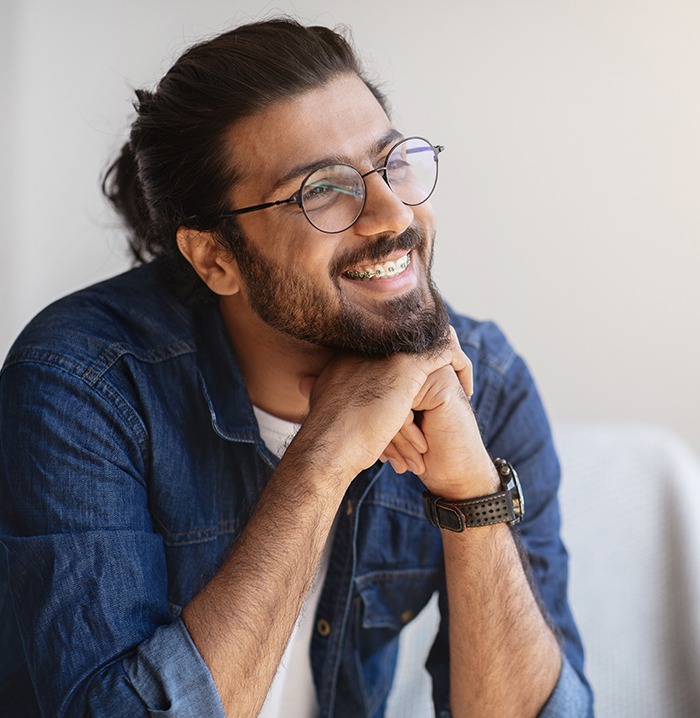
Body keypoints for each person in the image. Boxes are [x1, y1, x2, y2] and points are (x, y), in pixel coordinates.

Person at [0, 17, 593, 718]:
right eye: (321, 190)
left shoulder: (481, 384)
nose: (393, 212)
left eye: (392, 162)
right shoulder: (84, 383)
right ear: (215, 258)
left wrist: (472, 494)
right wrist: (321, 459)